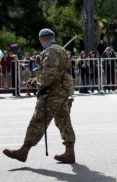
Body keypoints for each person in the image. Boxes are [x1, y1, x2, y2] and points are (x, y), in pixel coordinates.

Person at [3, 28, 76, 163]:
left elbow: (49, 74)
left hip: (52, 92)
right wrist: (41, 62)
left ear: (42, 39)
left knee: (38, 120)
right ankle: (70, 151)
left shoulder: (51, 51)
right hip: (63, 91)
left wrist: (35, 82)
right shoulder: (60, 50)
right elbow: (59, 69)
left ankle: (23, 151)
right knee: (63, 119)